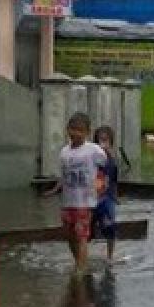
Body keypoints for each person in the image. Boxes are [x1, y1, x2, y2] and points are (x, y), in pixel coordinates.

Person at [44, 112, 108, 275]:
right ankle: (79, 262)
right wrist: (55, 189)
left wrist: (102, 187)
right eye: (72, 129)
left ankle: (81, 269)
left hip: (84, 202)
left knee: (81, 236)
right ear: (67, 130)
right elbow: (64, 176)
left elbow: (106, 169)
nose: (75, 133)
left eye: (80, 130)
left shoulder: (94, 150)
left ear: (87, 132)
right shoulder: (64, 152)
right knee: (69, 235)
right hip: (68, 201)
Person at [92, 125, 120, 265]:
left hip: (107, 196)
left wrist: (115, 196)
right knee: (87, 229)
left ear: (110, 142)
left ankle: (110, 257)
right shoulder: (91, 157)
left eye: (105, 140)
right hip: (92, 198)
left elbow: (114, 179)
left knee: (110, 226)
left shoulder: (112, 159)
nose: (102, 144)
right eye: (99, 141)